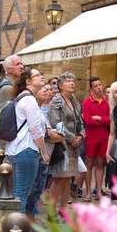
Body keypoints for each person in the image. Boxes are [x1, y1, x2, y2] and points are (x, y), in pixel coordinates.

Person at [6, 68, 49, 213]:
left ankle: (15, 228)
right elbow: (35, 129)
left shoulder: (21, 97)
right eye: (37, 75)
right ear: (28, 81)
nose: (41, 76)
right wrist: (44, 151)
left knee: (19, 192)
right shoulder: (29, 99)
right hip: (26, 149)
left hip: (16, 149)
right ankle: (17, 230)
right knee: (22, 194)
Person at [25, 84, 64, 220]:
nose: (48, 91)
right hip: (37, 154)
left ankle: (31, 221)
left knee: (36, 191)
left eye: (49, 89)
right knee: (32, 190)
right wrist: (59, 137)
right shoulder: (35, 110)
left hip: (42, 155)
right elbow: (46, 134)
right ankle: (27, 223)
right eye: (44, 89)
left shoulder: (40, 109)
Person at [49, 72, 85, 210]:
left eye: (73, 81)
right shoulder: (57, 101)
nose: (72, 83)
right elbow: (55, 122)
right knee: (59, 179)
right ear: (60, 85)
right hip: (63, 144)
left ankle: (63, 211)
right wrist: (71, 138)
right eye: (68, 81)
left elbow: (80, 121)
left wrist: (81, 136)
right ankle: (52, 214)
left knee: (67, 179)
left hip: (74, 146)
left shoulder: (74, 101)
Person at [81, 77, 110, 201]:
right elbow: (87, 120)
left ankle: (98, 191)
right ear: (91, 89)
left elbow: (110, 121)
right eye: (96, 85)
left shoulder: (107, 102)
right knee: (89, 164)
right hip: (91, 137)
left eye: (100, 84)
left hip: (104, 137)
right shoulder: (87, 102)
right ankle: (87, 191)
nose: (99, 87)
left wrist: (99, 118)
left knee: (100, 164)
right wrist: (101, 121)